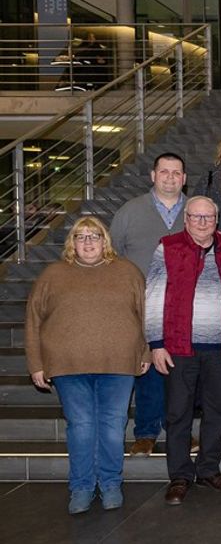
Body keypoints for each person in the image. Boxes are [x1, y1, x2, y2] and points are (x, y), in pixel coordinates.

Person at [26, 217, 149, 514]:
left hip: (118, 363)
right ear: (72, 243)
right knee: (80, 427)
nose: (88, 242)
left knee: (111, 426)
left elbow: (146, 316)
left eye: (94, 235)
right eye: (80, 236)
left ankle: (109, 484)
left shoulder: (127, 272)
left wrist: (145, 352)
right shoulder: (53, 275)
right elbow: (33, 319)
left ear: (105, 240)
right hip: (68, 365)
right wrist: (36, 363)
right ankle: (81, 486)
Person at [145, 196, 221, 506]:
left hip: (219, 347)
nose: (202, 222)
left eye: (208, 217)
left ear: (217, 220)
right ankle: (179, 476)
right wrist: (156, 344)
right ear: (185, 219)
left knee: (218, 411)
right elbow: (154, 295)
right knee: (178, 414)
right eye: (196, 217)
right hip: (179, 346)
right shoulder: (168, 247)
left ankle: (208, 469)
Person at [110, 152, 186, 458]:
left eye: (176, 173)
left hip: (185, 308)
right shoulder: (130, 212)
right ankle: (146, 432)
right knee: (148, 369)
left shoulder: (195, 211)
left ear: (184, 178)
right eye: (164, 172)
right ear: (153, 176)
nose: (170, 177)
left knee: (182, 374)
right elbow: (111, 256)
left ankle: (180, 430)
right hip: (143, 306)